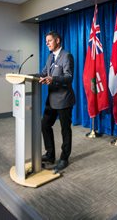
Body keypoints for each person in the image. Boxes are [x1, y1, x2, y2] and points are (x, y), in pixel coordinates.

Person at [39, 31, 75, 172]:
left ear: (57, 40)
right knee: (45, 124)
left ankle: (64, 158)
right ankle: (50, 154)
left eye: (49, 41)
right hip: (52, 98)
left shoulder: (67, 56)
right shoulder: (50, 57)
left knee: (65, 130)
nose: (47, 43)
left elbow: (69, 77)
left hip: (64, 98)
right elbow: (43, 73)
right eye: (46, 41)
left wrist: (53, 79)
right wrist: (26, 76)